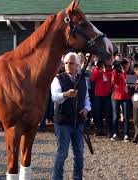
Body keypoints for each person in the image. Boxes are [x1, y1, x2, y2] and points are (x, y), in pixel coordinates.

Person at [51, 52, 91, 180]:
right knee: (62, 153)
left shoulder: (82, 79)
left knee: (79, 153)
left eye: (71, 63)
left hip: (78, 121)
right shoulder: (58, 78)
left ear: (77, 65)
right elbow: (54, 97)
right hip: (63, 122)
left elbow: (86, 98)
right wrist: (66, 95)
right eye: (66, 63)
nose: (68, 65)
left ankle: (77, 178)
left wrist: (86, 108)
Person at [111, 59, 132, 142]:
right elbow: (113, 82)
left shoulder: (129, 72)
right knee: (116, 116)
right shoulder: (115, 72)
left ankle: (126, 134)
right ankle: (115, 133)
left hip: (126, 96)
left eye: (126, 64)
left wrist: (123, 72)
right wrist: (115, 71)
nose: (126, 66)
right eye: (125, 65)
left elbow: (128, 81)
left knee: (126, 116)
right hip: (116, 96)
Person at [90, 59, 113, 136]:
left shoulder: (109, 71)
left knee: (108, 113)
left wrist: (104, 70)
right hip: (98, 95)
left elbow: (108, 78)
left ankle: (109, 130)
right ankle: (99, 129)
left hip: (107, 95)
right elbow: (93, 78)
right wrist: (97, 68)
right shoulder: (97, 71)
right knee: (97, 113)